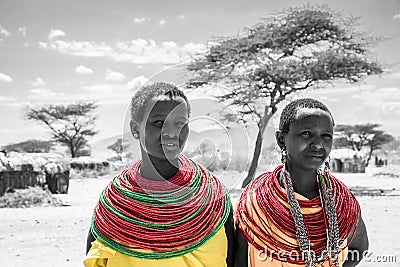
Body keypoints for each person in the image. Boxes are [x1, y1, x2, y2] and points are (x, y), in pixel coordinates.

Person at [84, 82, 234, 267]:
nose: (171, 133)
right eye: (159, 123)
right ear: (135, 129)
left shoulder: (212, 197)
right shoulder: (115, 204)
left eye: (180, 123)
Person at [235, 98, 368, 267]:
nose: (319, 144)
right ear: (281, 139)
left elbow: (360, 248)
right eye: (306, 133)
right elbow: (238, 261)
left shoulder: (343, 202)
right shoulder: (253, 203)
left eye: (326, 136)